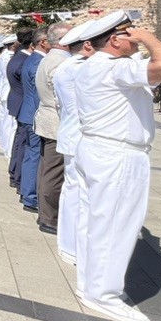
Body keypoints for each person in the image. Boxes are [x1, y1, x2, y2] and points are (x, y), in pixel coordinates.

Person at [73, 11, 161, 321]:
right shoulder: (115, 68)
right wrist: (148, 37)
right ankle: (103, 294)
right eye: (128, 34)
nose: (135, 38)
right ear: (116, 40)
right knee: (116, 225)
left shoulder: (90, 66)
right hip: (117, 154)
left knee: (93, 221)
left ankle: (89, 283)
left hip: (95, 147)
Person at [51, 21, 97, 266]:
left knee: (75, 191)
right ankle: (72, 246)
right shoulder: (77, 68)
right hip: (78, 135)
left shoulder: (68, 66)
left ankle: (70, 244)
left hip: (73, 133)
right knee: (78, 193)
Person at [33, 23, 73, 235]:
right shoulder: (60, 63)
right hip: (56, 123)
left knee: (47, 170)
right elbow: (63, 99)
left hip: (48, 120)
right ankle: (49, 217)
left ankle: (46, 213)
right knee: (54, 172)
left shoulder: (49, 58)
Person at [18, 28, 49, 213]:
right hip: (33, 115)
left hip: (27, 113)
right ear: (43, 42)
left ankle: (26, 192)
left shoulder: (31, 59)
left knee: (31, 155)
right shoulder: (38, 63)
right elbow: (40, 94)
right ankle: (30, 196)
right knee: (35, 155)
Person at [7, 28, 34, 190]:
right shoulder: (23, 61)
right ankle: (17, 176)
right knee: (23, 143)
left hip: (18, 102)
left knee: (19, 141)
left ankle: (14, 173)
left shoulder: (17, 57)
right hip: (24, 104)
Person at [0, 37, 18, 159]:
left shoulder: (3, 56)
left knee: (4, 120)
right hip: (8, 91)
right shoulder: (8, 57)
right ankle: (7, 147)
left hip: (4, 91)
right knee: (9, 123)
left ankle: (3, 142)